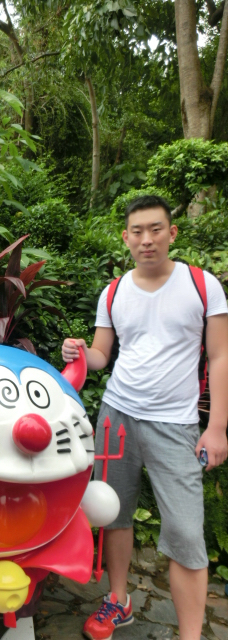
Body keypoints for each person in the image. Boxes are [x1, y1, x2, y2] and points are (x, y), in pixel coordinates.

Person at [62, 195, 228, 640]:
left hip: (176, 424)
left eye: (155, 229)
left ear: (172, 233)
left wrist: (216, 428)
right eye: (137, 231)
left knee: (186, 534)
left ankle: (190, 635)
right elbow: (102, 355)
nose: (146, 239)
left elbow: (220, 355)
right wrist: (79, 352)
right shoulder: (114, 292)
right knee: (113, 512)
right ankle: (118, 600)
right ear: (126, 238)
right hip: (116, 416)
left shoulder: (202, 285)